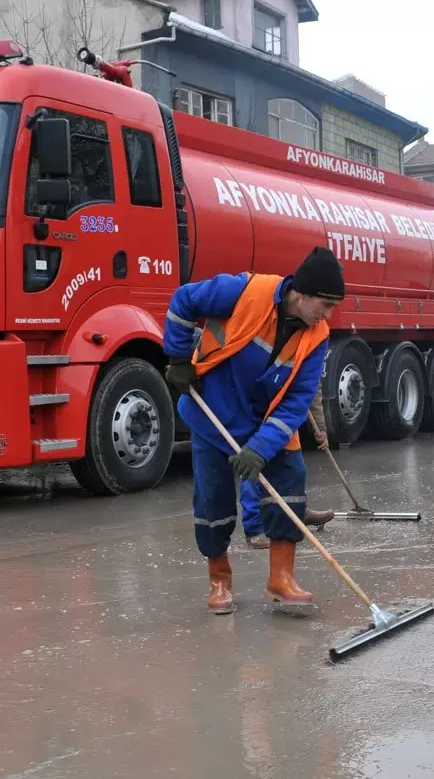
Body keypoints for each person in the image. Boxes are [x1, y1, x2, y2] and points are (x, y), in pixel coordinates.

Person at [162, 247, 345, 614]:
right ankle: (219, 581)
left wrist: (261, 447)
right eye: (324, 305)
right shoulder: (245, 291)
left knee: (290, 478)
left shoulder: (317, 335)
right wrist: (179, 357)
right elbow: (183, 301)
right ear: (303, 293)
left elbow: (296, 402)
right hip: (214, 410)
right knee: (213, 498)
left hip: (266, 422)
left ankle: (281, 579)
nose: (327, 315)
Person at [241, 391, 335, 549]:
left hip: (285, 411)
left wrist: (319, 427)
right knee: (255, 465)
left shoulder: (308, 366)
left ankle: (298, 512)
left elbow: (311, 388)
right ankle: (254, 528)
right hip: (258, 408)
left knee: (294, 467)